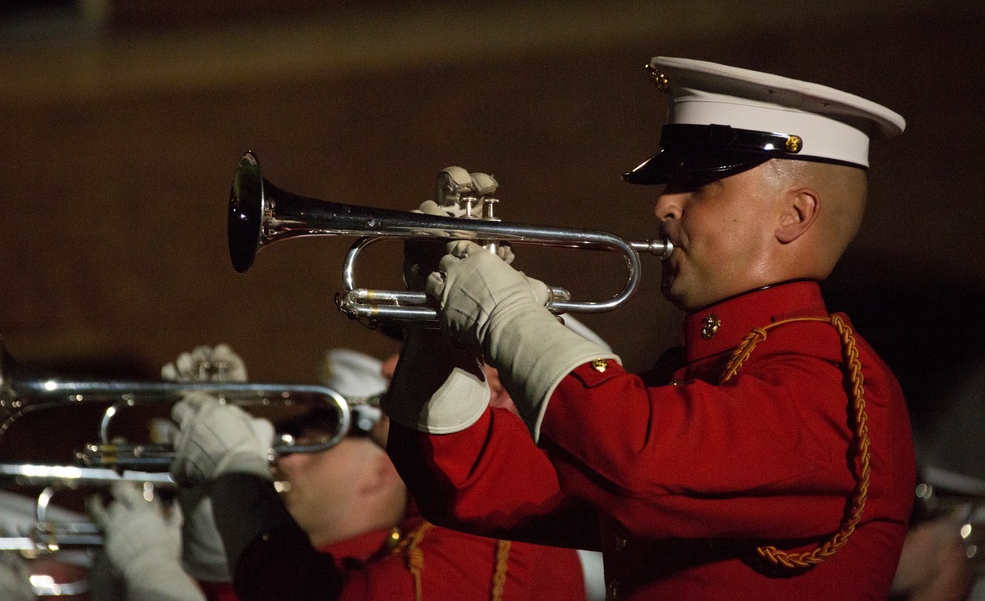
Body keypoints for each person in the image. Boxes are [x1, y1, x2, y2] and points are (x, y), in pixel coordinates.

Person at [381, 56, 917, 600]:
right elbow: (482, 487)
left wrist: (509, 318)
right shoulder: (696, 373)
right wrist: (437, 339)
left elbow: (636, 464)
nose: (663, 204)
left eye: (699, 184)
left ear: (795, 215)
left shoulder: (835, 388)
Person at [110, 346, 590, 600]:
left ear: (500, 388)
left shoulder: (506, 538)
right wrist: (208, 487)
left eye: (430, 341)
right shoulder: (453, 520)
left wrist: (233, 471)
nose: (388, 368)